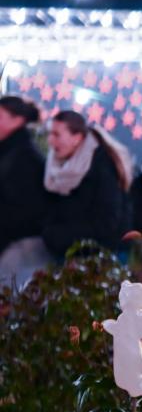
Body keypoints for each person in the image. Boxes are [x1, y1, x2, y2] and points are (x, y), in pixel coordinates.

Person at [42, 111, 133, 260]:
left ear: (77, 138)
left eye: (56, 134)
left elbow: (107, 222)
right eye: (50, 133)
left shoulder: (103, 166)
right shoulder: (58, 162)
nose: (50, 140)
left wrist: (56, 235)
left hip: (100, 257)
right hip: (70, 250)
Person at [0, 96, 50, 288]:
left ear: (18, 120)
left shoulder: (24, 158)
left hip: (18, 247)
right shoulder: (8, 152)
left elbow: (24, 210)